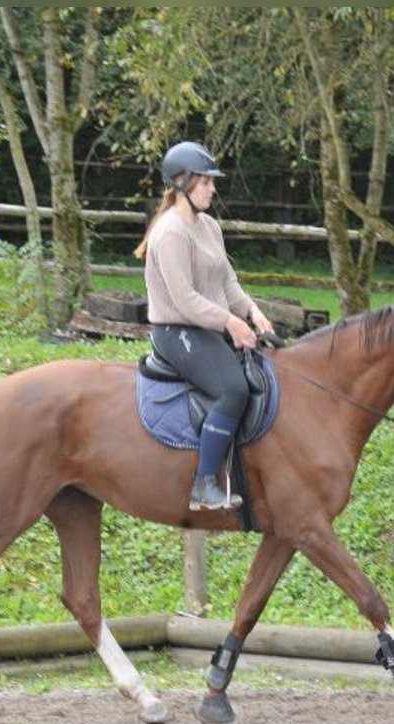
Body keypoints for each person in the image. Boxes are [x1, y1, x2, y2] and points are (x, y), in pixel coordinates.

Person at [134, 141, 274, 511]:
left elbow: (227, 283)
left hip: (208, 326)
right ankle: (204, 483)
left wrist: (252, 312)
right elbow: (184, 300)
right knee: (233, 388)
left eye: (212, 182)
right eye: (205, 182)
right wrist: (230, 322)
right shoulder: (170, 232)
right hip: (177, 331)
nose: (213, 188)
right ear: (181, 182)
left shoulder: (209, 226)